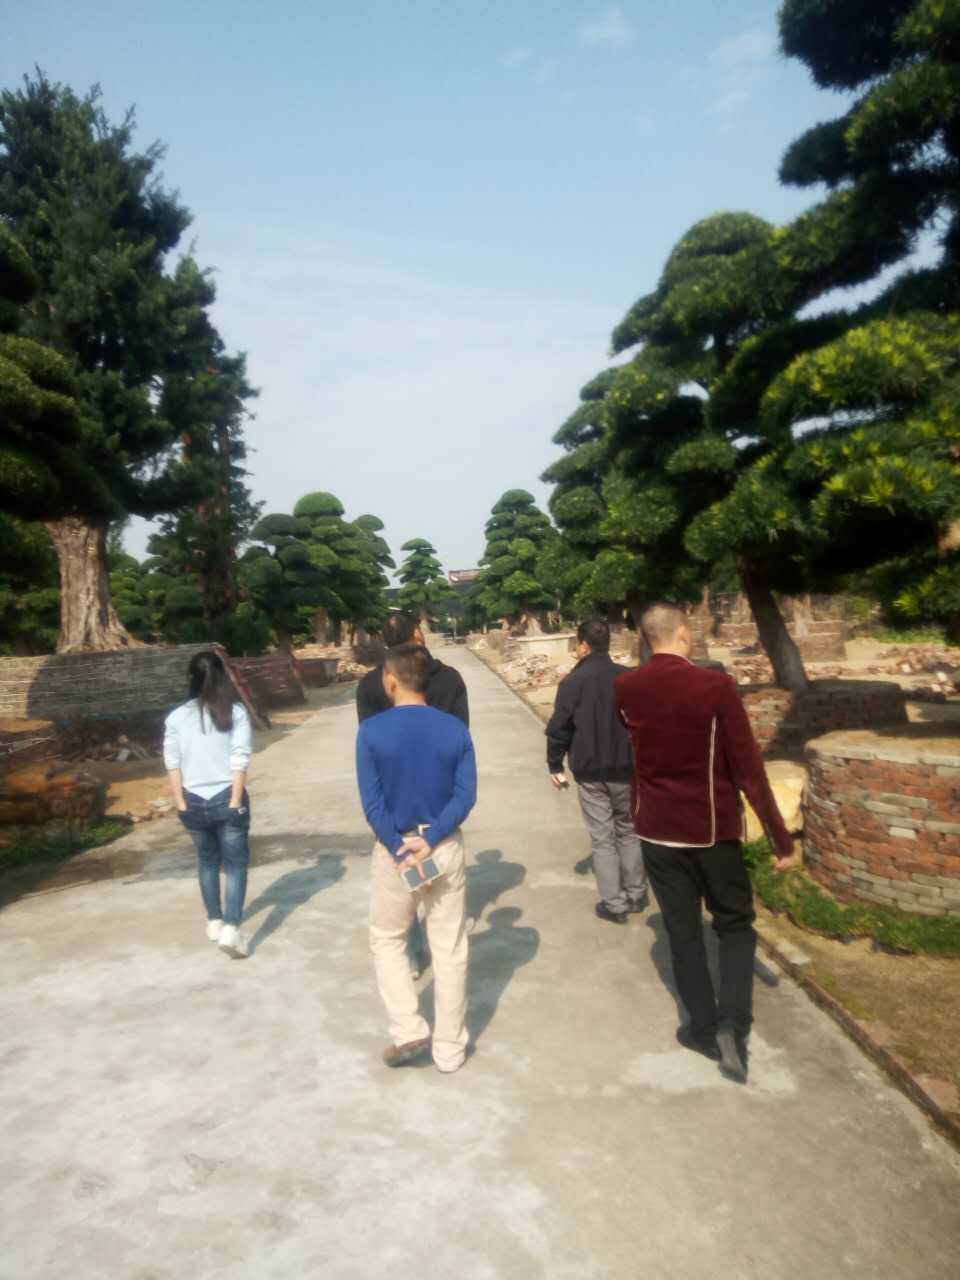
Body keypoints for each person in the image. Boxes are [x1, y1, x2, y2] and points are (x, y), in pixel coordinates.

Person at [614, 604, 795, 1083]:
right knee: (734, 923)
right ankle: (733, 1023)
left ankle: (702, 1028)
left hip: (656, 830)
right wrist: (780, 839)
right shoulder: (715, 686)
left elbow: (639, 751)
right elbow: (748, 768)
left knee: (684, 932)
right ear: (682, 633)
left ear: (646, 640)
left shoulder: (627, 688)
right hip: (709, 829)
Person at [356, 643, 477, 1072]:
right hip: (442, 847)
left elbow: (372, 804)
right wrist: (434, 836)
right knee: (449, 947)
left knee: (388, 938)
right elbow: (466, 795)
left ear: (390, 681)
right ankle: (450, 1049)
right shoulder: (455, 730)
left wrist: (397, 846)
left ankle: (408, 1029)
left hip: (396, 850)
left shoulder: (371, 732)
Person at [357, 611, 469, 978]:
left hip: (394, 809)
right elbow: (461, 741)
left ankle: (414, 955)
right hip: (440, 807)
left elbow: (370, 751)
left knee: (398, 903)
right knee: (445, 923)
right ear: (418, 634)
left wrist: (393, 841)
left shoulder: (370, 686)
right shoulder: (448, 679)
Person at [546, 618, 648, 925]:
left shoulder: (572, 682)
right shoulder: (628, 677)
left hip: (590, 772)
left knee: (603, 838)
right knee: (629, 830)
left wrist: (555, 765)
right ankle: (636, 893)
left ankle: (614, 905)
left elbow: (560, 728)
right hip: (627, 767)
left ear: (584, 645)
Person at [164, 651, 253, 959]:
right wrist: (235, 800)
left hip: (191, 799)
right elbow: (240, 757)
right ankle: (231, 927)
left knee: (207, 862)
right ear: (222, 676)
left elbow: (173, 763)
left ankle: (214, 921)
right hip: (227, 795)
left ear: (191, 678)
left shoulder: (176, 718)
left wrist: (180, 803)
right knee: (235, 865)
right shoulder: (235, 712)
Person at [356, 611, 469, 725]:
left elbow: (367, 731)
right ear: (417, 633)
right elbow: (461, 728)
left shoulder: (368, 684)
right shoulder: (450, 678)